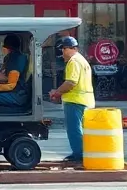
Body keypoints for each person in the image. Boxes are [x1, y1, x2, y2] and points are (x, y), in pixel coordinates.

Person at [49, 36, 93, 166]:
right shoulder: (82, 60)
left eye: (64, 48)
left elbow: (71, 82)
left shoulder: (73, 61)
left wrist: (57, 93)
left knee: (74, 129)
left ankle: (79, 155)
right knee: (80, 129)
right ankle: (81, 153)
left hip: (75, 101)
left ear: (73, 48)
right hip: (85, 100)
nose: (62, 52)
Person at [0, 34, 31, 111]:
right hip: (15, 93)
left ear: (7, 46)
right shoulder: (11, 57)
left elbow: (11, 85)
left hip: (16, 95)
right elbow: (4, 76)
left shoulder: (16, 59)